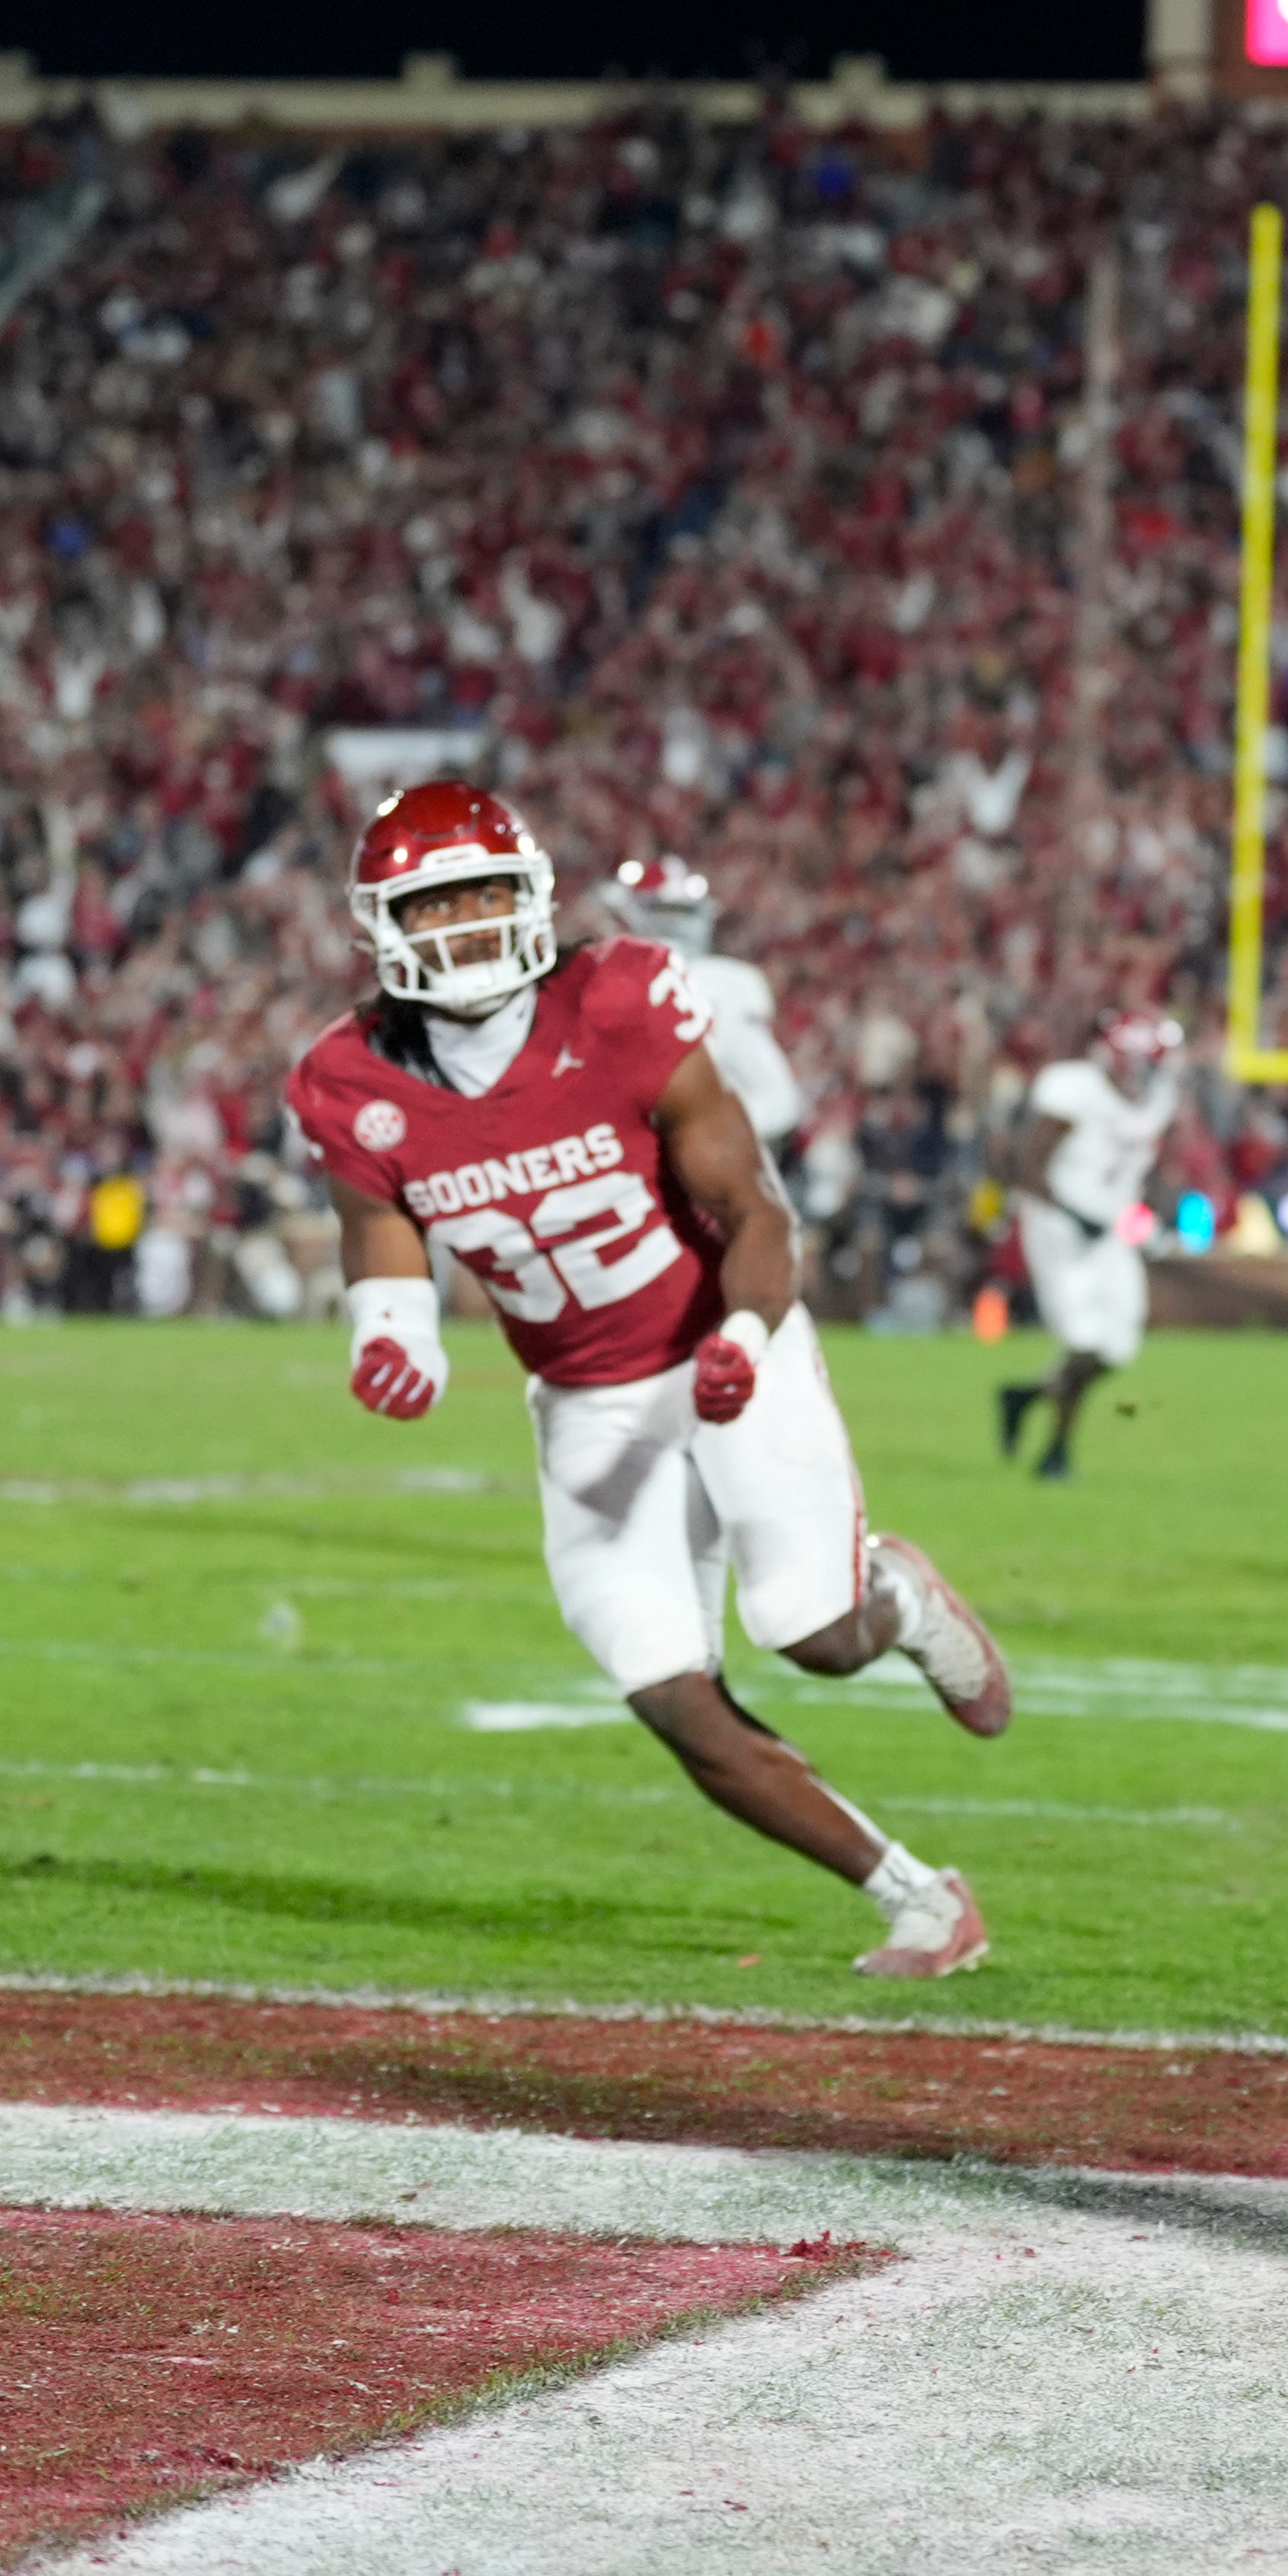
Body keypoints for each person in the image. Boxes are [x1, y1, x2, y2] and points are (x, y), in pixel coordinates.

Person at [287, 781, 1015, 1977]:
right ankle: (919, 1899)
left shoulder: (620, 1000)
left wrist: (742, 1332)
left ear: (533, 900)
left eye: (485, 894)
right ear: (382, 925)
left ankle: (900, 1598)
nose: (467, 925)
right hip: (584, 1400)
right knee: (667, 1690)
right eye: (436, 902)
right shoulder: (347, 1079)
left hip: (726, 1346)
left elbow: (752, 1207)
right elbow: (382, 1229)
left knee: (813, 1635)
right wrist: (390, 1333)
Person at [998, 1010, 1181, 1483]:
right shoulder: (1073, 1088)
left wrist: (1150, 1217)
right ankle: (1057, 1452)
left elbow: (1140, 1168)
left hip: (1113, 1226)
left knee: (1117, 1347)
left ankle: (1027, 1397)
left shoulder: (1159, 1098)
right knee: (1083, 1340)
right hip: (1058, 1224)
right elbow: (1028, 1166)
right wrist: (1076, 1216)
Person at [602, 855, 811, 1146]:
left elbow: (778, 1099)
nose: (675, 925)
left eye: (680, 913)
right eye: (666, 912)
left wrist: (707, 1132)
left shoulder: (720, 983)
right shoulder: (611, 980)